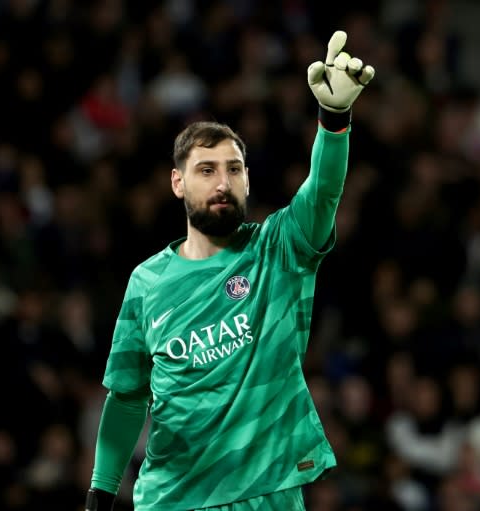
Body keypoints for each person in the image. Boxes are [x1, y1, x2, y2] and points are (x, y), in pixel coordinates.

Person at [84, 30, 375, 511]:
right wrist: (100, 492)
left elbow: (322, 193)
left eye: (234, 169)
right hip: (172, 498)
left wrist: (334, 121)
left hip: (266, 492)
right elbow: (128, 396)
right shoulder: (146, 283)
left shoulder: (278, 249)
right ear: (177, 183)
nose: (223, 182)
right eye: (207, 170)